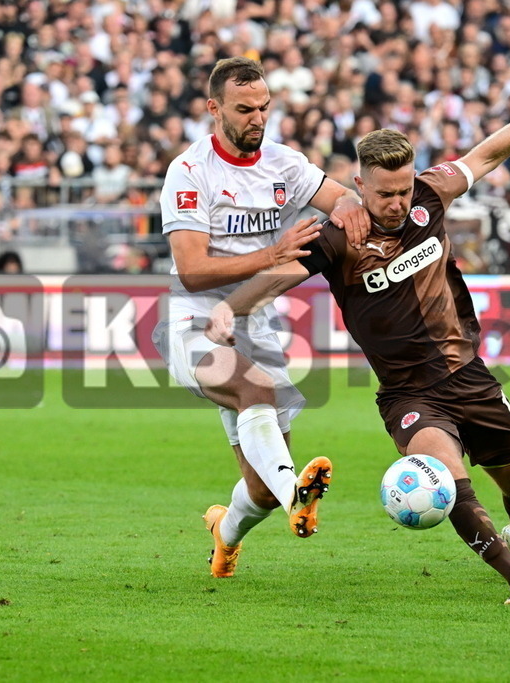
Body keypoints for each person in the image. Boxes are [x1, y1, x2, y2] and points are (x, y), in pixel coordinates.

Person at [205, 75, 510, 605]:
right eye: (384, 192)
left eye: (404, 190)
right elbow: (281, 274)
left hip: (469, 375)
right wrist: (229, 307)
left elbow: (487, 154)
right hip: (410, 395)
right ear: (359, 186)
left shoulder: (430, 195)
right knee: (449, 481)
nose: (397, 202)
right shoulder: (338, 238)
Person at [151, 57, 370, 579]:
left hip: (255, 326)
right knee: (255, 392)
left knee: (259, 489)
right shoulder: (189, 171)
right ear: (214, 108)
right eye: (245, 109)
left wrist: (351, 210)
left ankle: (224, 536)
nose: (258, 118)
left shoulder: (284, 164)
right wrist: (272, 255)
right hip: (194, 323)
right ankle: (297, 493)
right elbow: (192, 267)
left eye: (264, 108)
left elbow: (341, 199)